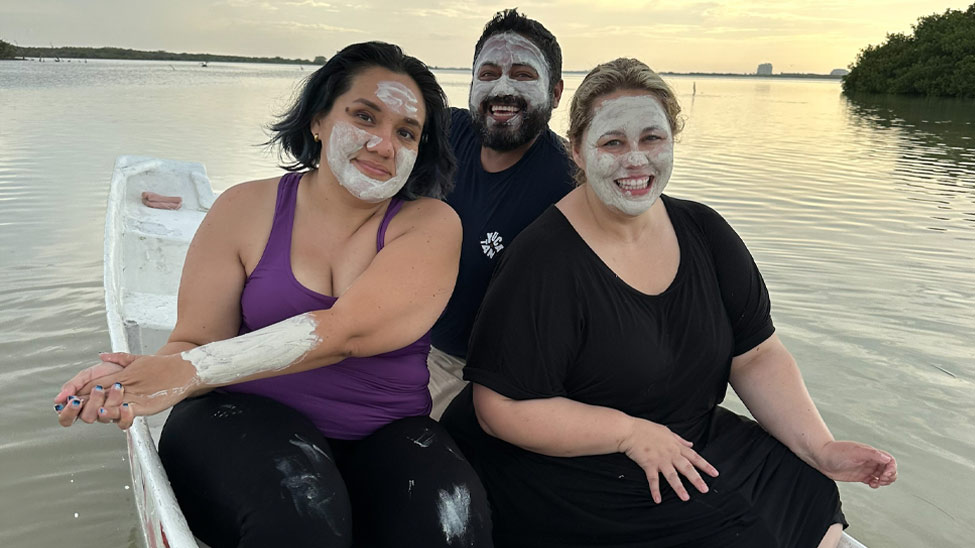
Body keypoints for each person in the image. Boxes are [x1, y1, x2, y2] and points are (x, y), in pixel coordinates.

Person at [440, 58, 898, 548]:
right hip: (570, 458)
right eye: (613, 142)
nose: (636, 159)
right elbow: (499, 407)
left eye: (652, 138)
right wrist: (628, 434)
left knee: (806, 486)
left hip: (684, 433)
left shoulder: (704, 231)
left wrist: (821, 447)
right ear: (577, 150)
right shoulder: (542, 260)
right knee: (729, 532)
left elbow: (757, 354)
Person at [54, 42, 492, 548]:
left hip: (385, 434)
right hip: (238, 420)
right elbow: (194, 340)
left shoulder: (432, 224)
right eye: (364, 116)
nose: (383, 144)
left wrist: (186, 371)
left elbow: (347, 331)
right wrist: (133, 375)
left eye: (406, 132)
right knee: (300, 521)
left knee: (452, 523)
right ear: (318, 121)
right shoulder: (244, 209)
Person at [427, 8, 574, 418]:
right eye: (488, 74)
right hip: (409, 344)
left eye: (524, 75)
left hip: (494, 381)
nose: (502, 88)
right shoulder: (441, 134)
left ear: (557, 93)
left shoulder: (573, 181)